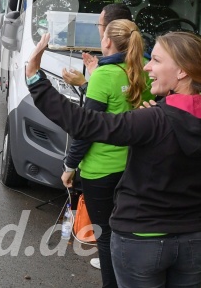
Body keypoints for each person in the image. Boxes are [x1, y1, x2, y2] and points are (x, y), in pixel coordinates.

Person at [26, 31, 201, 288]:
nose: (148, 66)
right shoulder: (158, 118)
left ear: (183, 71)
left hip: (141, 240)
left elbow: (83, 123)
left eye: (156, 60)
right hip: (193, 240)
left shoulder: (153, 120)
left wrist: (35, 79)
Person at [61, 19, 153, 288]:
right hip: (135, 166)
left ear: (107, 42)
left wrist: (69, 166)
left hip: (100, 169)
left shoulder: (104, 74)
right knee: (130, 232)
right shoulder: (144, 70)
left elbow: (87, 128)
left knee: (105, 234)